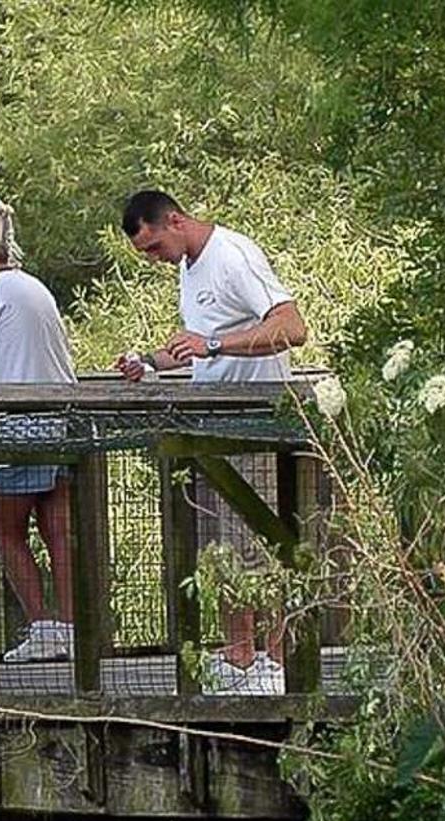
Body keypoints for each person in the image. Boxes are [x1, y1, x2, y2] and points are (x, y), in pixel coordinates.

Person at [113, 190, 309, 692]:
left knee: (257, 546)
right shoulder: (189, 267)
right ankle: (239, 655)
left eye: (154, 247)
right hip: (211, 427)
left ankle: (274, 659)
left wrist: (215, 344)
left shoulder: (233, 256)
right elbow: (201, 346)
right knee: (219, 548)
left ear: (175, 220)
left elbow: (291, 327)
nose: (155, 260)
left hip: (253, 426)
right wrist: (152, 361)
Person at [0, 199, 77, 663]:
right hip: (62, 418)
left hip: (20, 423)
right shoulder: (31, 286)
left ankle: (44, 626)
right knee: (57, 529)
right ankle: (69, 624)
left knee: (2, 528)